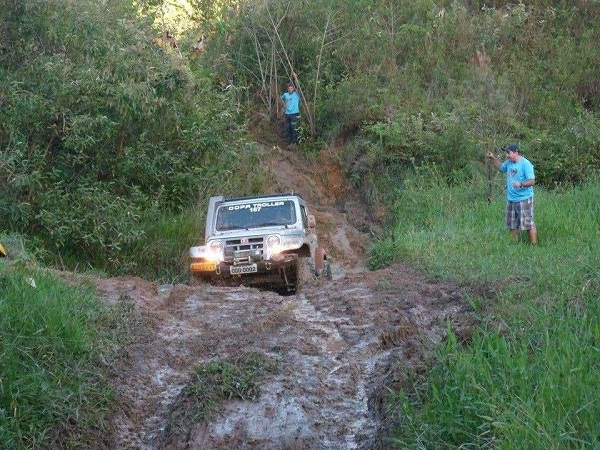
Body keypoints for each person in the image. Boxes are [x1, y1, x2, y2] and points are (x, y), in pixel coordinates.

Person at [487, 143, 538, 244]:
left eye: (508, 153)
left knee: (528, 224)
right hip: (511, 199)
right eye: (506, 153)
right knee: (512, 224)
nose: (507, 155)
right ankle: (514, 245)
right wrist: (492, 158)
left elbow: (532, 181)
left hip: (524, 199)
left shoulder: (526, 164)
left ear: (516, 152)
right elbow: (501, 168)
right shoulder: (509, 162)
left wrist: (521, 184)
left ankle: (534, 246)